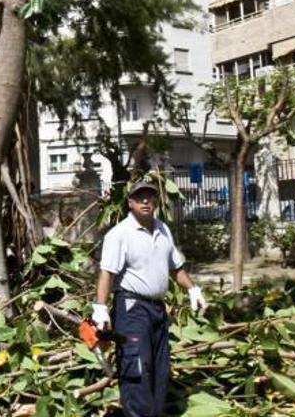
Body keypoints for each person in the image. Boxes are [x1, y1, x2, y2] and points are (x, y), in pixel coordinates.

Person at [91, 177, 207, 417]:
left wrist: (192, 289)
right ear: (130, 203)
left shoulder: (163, 229)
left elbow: (176, 268)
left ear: (155, 201)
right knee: (137, 370)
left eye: (150, 196)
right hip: (132, 309)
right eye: (139, 197)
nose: (145, 201)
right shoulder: (119, 234)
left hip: (157, 310)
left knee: (159, 370)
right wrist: (100, 308)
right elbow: (107, 272)